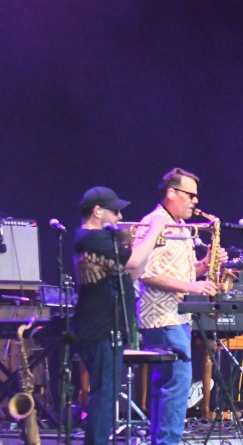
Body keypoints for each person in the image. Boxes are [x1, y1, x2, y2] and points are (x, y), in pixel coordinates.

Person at [134, 168, 225, 445]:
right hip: (160, 317)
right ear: (171, 193)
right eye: (190, 195)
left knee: (171, 386)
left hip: (177, 316)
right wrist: (191, 287)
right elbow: (145, 273)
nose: (195, 201)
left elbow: (185, 273)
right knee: (176, 385)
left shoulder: (182, 227)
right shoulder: (153, 223)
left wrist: (206, 263)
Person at [72, 186, 165, 445]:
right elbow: (133, 262)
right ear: (97, 211)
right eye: (115, 211)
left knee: (108, 394)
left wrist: (144, 244)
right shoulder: (91, 238)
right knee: (104, 396)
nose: (120, 217)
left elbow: (133, 272)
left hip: (111, 326)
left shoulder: (105, 241)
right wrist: (154, 230)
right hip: (98, 326)